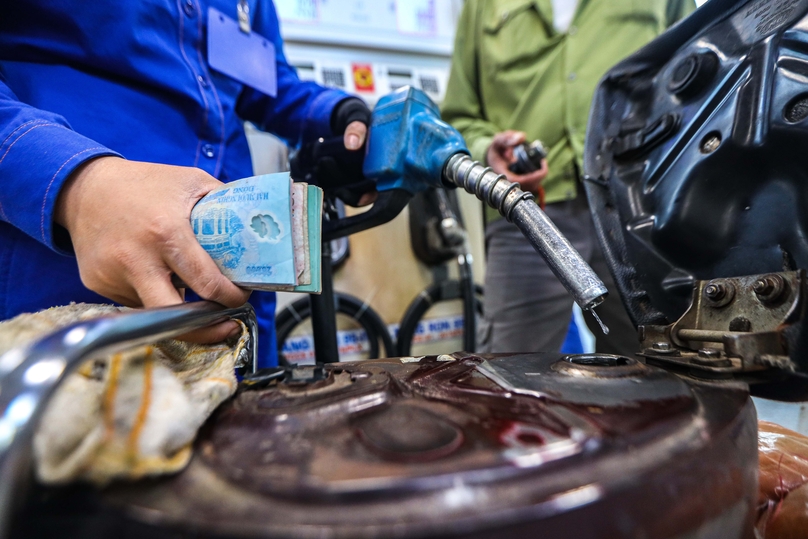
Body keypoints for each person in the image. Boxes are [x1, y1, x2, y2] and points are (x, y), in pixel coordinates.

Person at [0, 1, 371, 366]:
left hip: (240, 304)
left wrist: (337, 114)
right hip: (64, 293)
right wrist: (80, 187)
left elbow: (267, 84)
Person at [442, 0, 695, 354]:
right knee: (511, 374)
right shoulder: (482, 6)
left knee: (666, 361)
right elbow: (457, 116)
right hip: (526, 212)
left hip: (637, 207)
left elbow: (701, 84)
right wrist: (487, 150)